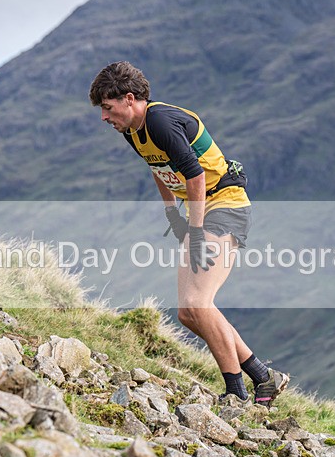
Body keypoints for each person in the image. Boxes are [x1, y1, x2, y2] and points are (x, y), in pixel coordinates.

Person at [89, 61, 289, 406]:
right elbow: (158, 167)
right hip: (201, 208)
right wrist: (172, 214)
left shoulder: (160, 121)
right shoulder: (131, 129)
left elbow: (195, 176)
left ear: (129, 98)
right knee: (188, 312)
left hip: (224, 204)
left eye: (107, 108)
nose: (104, 117)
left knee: (198, 303)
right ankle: (263, 376)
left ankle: (235, 395)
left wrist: (194, 231)